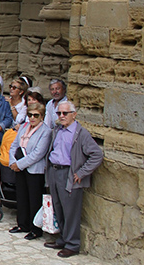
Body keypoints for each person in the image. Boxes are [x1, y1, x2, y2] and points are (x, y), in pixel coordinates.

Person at [45, 100, 104, 258]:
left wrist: (82, 172)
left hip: (68, 174)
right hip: (55, 171)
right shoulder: (57, 130)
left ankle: (72, 244)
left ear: (74, 114)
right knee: (59, 207)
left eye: (65, 113)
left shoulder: (81, 133)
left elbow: (97, 155)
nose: (62, 116)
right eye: (59, 113)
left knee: (71, 210)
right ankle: (63, 238)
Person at [8, 102, 52, 241]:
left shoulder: (46, 131)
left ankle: (35, 228)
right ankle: (22, 224)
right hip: (20, 167)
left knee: (34, 198)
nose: (32, 118)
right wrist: (12, 161)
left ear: (42, 116)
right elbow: (15, 144)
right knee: (21, 196)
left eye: (36, 115)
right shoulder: (24, 127)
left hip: (34, 169)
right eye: (30, 115)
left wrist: (19, 164)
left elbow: (38, 153)